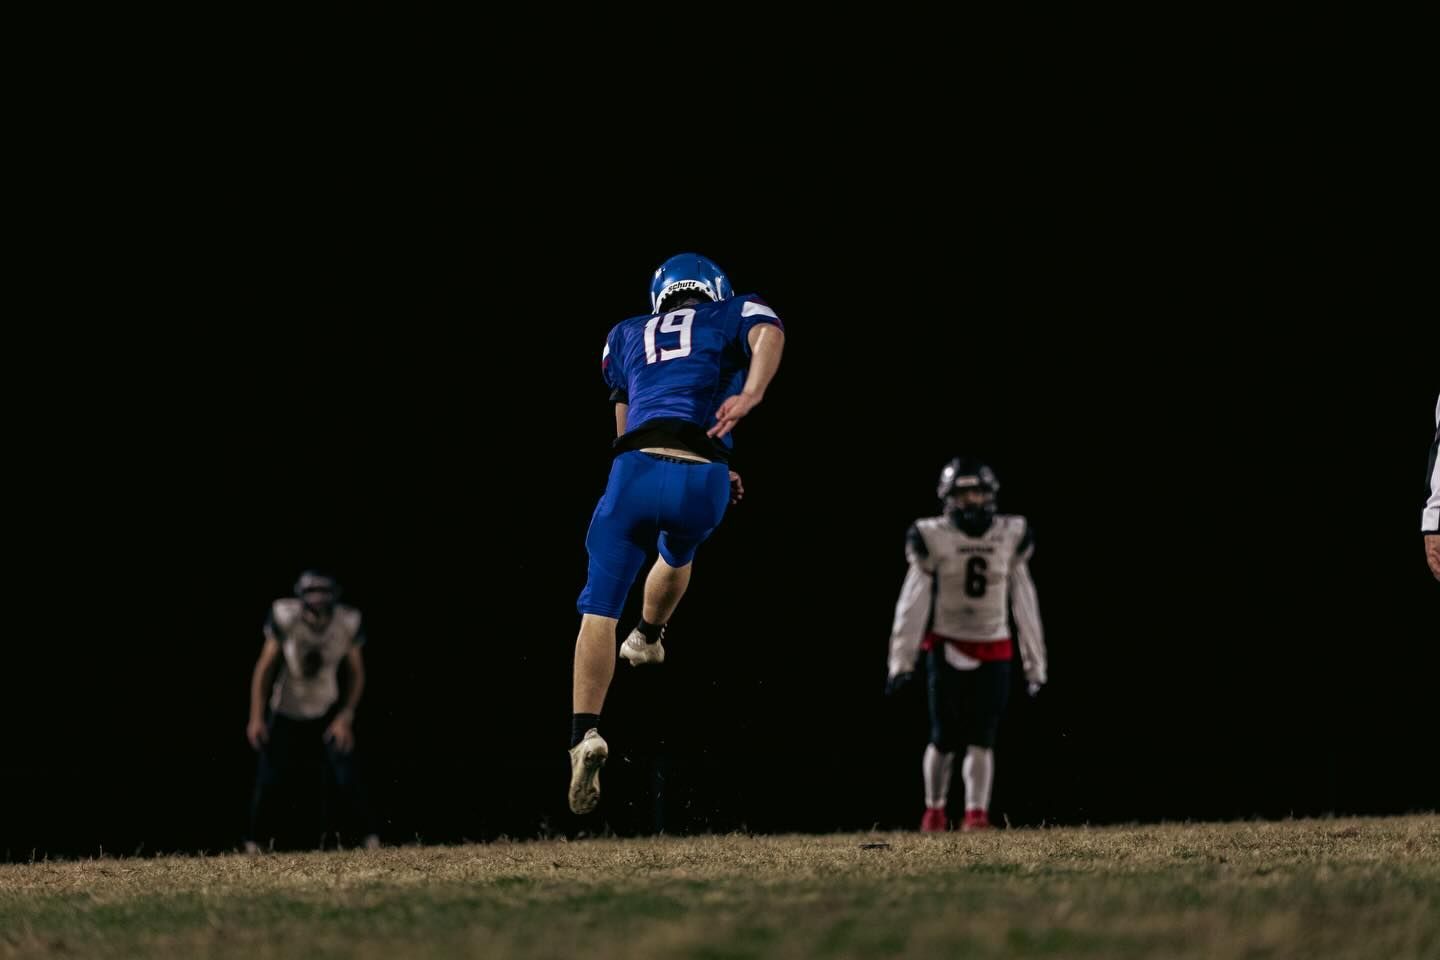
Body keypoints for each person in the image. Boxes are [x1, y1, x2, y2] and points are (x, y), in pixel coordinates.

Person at [567, 253, 785, 816]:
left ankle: (584, 734)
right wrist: (755, 393)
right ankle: (649, 636)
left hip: (633, 469)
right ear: (714, 290)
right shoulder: (728, 313)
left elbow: (623, 409)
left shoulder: (626, 333)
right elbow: (768, 331)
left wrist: (625, 467)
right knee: (677, 547)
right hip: (704, 477)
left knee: (597, 611)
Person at [886, 459, 1046, 832]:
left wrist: (1035, 665)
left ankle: (976, 814)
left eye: (977, 492)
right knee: (943, 737)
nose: (971, 501)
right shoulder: (933, 535)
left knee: (982, 736)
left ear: (990, 496)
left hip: (996, 644)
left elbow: (1025, 600)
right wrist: (901, 661)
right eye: (963, 493)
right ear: (948, 498)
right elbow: (913, 602)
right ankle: (935, 811)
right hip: (947, 644)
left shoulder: (1012, 533)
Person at [245, 569, 379, 851]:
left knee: (345, 774)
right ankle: (254, 842)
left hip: (326, 707)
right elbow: (264, 668)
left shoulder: (346, 621)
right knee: (270, 778)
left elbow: (356, 672)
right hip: (286, 708)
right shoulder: (285, 616)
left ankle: (369, 839)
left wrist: (345, 716)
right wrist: (257, 716)